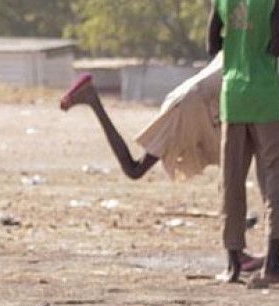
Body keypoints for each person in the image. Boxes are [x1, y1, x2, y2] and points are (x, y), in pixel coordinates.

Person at [58, 60, 264, 273]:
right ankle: (92, 99)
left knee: (233, 166)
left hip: (190, 99)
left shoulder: (237, 46)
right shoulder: (251, 49)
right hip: (193, 106)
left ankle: (237, 245)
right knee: (136, 169)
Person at [209, 0, 279, 288]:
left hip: (233, 95)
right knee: (275, 177)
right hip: (265, 97)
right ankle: (273, 262)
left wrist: (236, 52)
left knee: (231, 180)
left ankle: (233, 263)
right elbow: (276, 47)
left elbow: (212, 44)